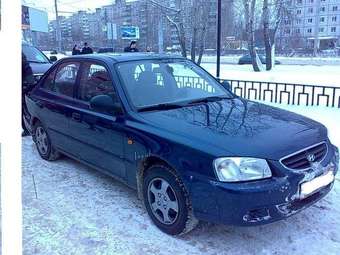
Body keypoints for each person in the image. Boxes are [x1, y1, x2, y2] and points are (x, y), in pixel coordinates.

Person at [22, 53, 35, 136]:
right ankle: (28, 129)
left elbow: (30, 80)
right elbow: (31, 81)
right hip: (23, 90)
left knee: (25, 111)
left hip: (23, 91)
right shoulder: (26, 66)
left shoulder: (25, 66)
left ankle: (27, 129)